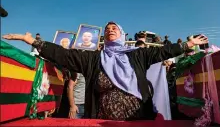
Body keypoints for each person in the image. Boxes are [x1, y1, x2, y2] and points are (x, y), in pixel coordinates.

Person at [2, 21, 208, 121]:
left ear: (121, 33)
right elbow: (64, 55)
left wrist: (186, 45)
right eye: (107, 28)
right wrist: (34, 42)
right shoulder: (94, 58)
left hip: (136, 121)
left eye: (114, 28)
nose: (110, 30)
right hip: (102, 120)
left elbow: (163, 52)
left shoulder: (137, 54)